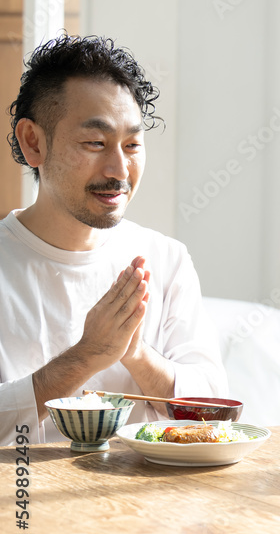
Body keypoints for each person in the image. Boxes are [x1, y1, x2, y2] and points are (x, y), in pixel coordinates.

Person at [0, 35, 227, 445]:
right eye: (95, 143)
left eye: (132, 145)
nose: (119, 169)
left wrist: (137, 355)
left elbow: (217, 415)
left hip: (143, 504)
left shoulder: (166, 259)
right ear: (33, 142)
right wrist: (86, 356)